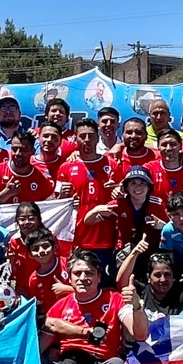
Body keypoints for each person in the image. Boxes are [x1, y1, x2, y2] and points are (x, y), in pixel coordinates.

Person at [42, 250, 147, 364]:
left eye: (89, 273)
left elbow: (140, 334)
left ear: (99, 277)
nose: (83, 277)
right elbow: (40, 347)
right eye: (77, 273)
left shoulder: (115, 299)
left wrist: (136, 307)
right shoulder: (59, 306)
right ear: (70, 278)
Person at [56, 118, 123, 276]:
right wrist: (63, 196)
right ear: (76, 138)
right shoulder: (65, 168)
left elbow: (121, 198)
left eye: (91, 135)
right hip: (76, 239)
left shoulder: (112, 164)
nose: (87, 140)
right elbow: (58, 204)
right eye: (82, 136)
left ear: (98, 137)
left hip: (105, 239)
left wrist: (116, 194)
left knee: (104, 284)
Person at [116, 246, 183, 316]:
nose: (163, 279)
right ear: (148, 277)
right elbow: (121, 281)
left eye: (167, 274)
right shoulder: (141, 292)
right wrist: (134, 253)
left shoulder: (182, 298)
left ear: (173, 276)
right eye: (157, 275)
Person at [0, 130, 54, 204]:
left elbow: (49, 208)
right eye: (14, 149)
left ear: (32, 151)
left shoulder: (41, 179)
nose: (18, 153)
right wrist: (6, 193)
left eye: (23, 150)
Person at [113, 166, 165, 255]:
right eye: (133, 183)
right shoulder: (119, 203)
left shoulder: (158, 204)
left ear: (149, 187)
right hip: (123, 252)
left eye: (142, 183)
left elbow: (171, 228)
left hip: (150, 251)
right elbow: (89, 220)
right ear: (126, 187)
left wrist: (162, 226)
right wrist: (96, 211)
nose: (138, 187)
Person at [24, 228, 73, 313]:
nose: (41, 251)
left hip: (75, 314)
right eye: (35, 249)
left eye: (45, 246)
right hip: (53, 319)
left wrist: (67, 289)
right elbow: (38, 306)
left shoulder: (68, 264)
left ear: (54, 248)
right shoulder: (33, 280)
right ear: (30, 255)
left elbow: (91, 290)